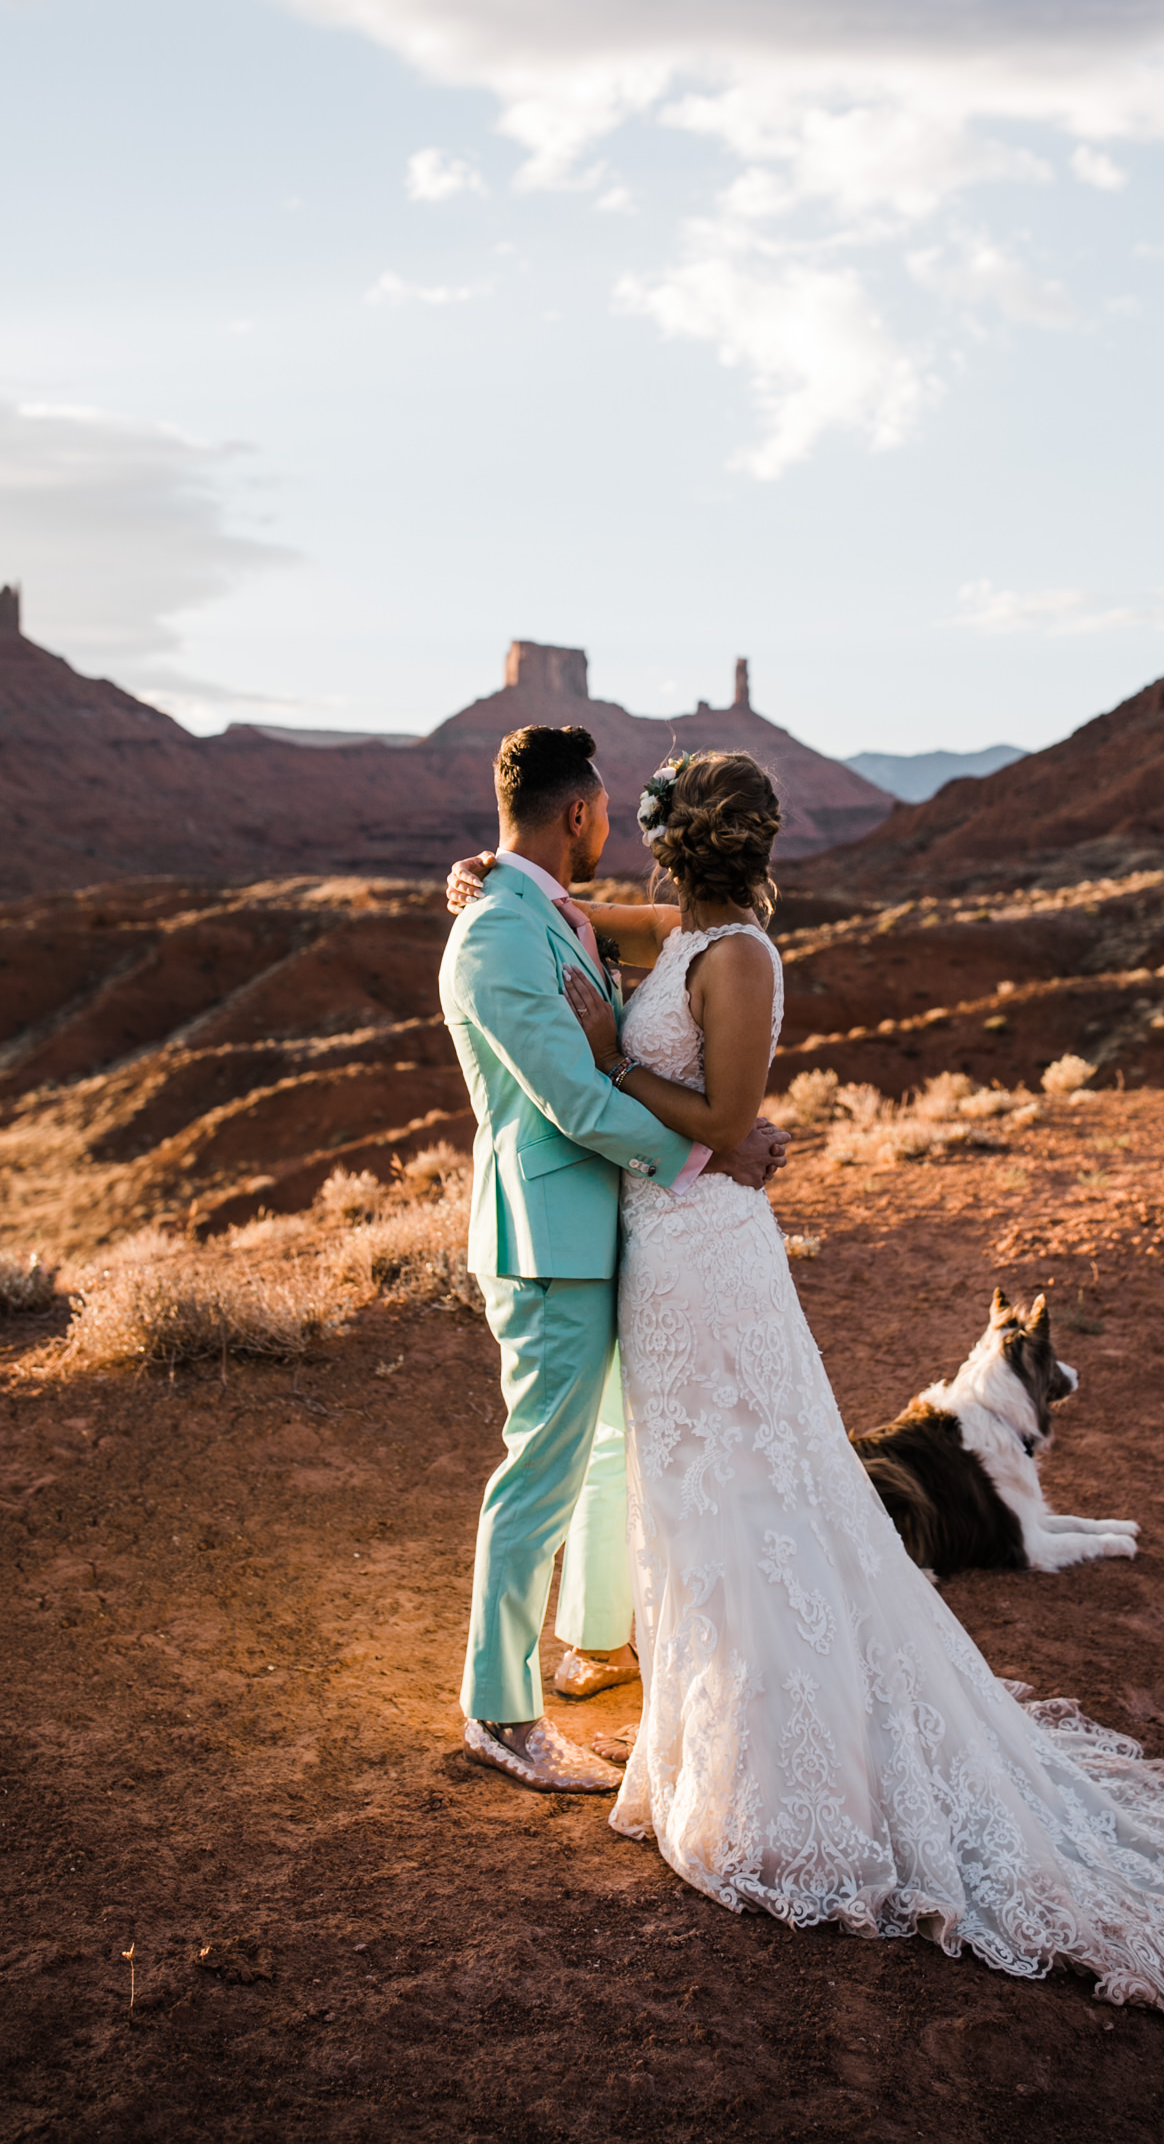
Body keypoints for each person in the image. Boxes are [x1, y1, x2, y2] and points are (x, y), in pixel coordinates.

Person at [446, 747, 1164, 2032]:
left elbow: (721, 1111)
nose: (630, 835)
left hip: (701, 1250)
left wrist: (645, 1089)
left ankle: (775, 1772)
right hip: (656, 1249)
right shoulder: (675, 930)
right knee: (684, 1488)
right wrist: (492, 878)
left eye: (653, 826)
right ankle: (661, 1720)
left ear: (683, 843)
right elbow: (584, 920)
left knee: (750, 1489)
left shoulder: (732, 956)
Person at [440, 725, 786, 1795]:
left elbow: (672, 935)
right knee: (536, 1473)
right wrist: (709, 1147)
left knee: (592, 1456)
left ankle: (596, 1642)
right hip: (546, 1240)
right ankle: (499, 1708)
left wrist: (483, 868)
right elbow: (573, 1098)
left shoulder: (543, 911)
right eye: (599, 818)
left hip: (603, 1232)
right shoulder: (499, 935)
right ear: (579, 816)